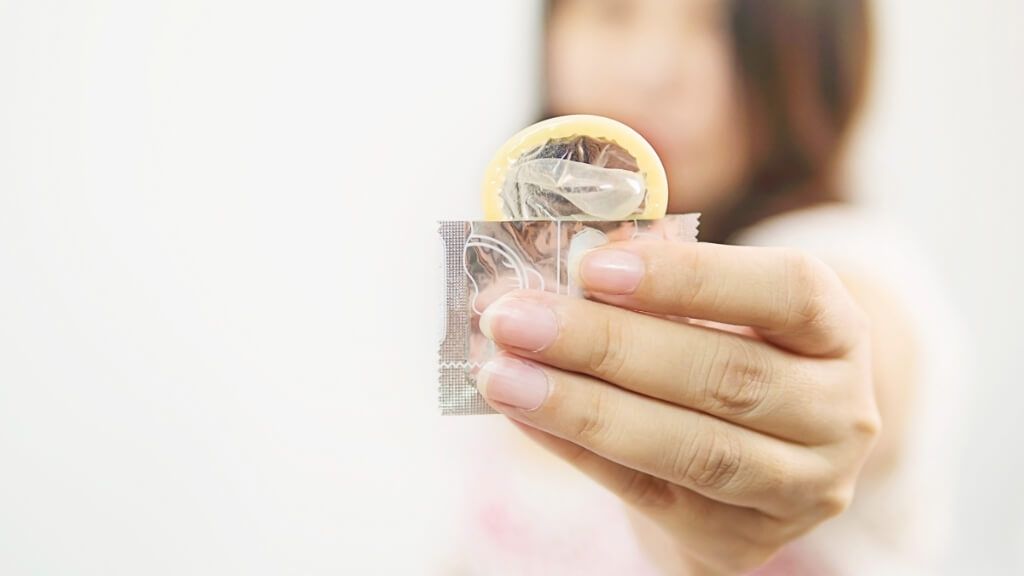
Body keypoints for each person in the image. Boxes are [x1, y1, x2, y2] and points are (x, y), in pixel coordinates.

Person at [443, 1, 959, 573]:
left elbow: (858, 348)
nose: (653, 70)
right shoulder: (507, 276)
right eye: (615, 11)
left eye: (718, 24)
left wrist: (809, 394)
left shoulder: (843, 252)